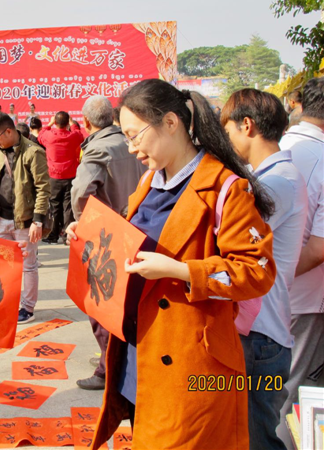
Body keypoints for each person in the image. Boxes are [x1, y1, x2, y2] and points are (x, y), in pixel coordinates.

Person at [67, 79, 276, 450]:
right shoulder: (149, 182)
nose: (131, 147)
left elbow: (257, 272)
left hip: (190, 363)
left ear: (170, 122)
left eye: (134, 135)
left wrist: (180, 270)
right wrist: (88, 235)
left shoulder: (225, 189)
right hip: (139, 355)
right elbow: (131, 242)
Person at [222, 89, 308, 450]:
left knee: (255, 438)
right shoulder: (272, 176)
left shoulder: (277, 182)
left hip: (260, 335)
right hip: (260, 330)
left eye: (227, 131)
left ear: (247, 125)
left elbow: (228, 237)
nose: (226, 139)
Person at [66, 95, 146, 391]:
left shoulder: (98, 148)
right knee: (126, 302)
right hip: (136, 228)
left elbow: (81, 191)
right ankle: (115, 360)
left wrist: (85, 222)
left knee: (101, 303)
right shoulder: (130, 142)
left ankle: (106, 368)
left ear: (86, 122)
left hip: (106, 234)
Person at [277, 77, 324, 447]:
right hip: (305, 297)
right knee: (295, 393)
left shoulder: (276, 148)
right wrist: (281, 276)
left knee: (272, 385)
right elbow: (318, 248)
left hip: (265, 293)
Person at [0, 112, 50, 324]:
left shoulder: (34, 152)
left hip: (25, 221)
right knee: (3, 265)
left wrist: (37, 220)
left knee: (28, 266)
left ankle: (28, 308)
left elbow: (43, 188)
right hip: (3, 219)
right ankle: (6, 302)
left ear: (8, 131)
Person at [38, 112, 83, 244]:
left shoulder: (49, 136)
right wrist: (73, 124)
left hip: (54, 176)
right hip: (70, 176)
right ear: (67, 123)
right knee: (68, 206)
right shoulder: (73, 136)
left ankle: (53, 234)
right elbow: (79, 134)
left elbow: (40, 135)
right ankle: (67, 235)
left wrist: (50, 123)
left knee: (55, 206)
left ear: (55, 122)